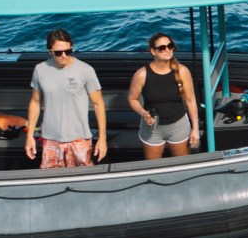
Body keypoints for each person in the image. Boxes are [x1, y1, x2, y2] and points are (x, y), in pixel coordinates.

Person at [24, 29, 108, 167]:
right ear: (50, 51)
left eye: (67, 51)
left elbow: (98, 104)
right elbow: (35, 102)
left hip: (79, 139)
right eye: (58, 53)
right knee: (51, 181)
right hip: (50, 139)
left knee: (83, 180)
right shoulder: (40, 69)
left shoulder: (86, 70)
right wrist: (29, 138)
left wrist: (102, 139)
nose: (63, 56)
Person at [126, 32, 202, 160]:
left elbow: (191, 101)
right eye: (162, 48)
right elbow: (132, 99)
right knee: (153, 167)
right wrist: (143, 113)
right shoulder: (141, 74)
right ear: (153, 51)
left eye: (170, 46)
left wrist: (195, 129)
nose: (167, 50)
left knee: (181, 165)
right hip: (152, 130)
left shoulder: (182, 71)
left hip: (179, 127)